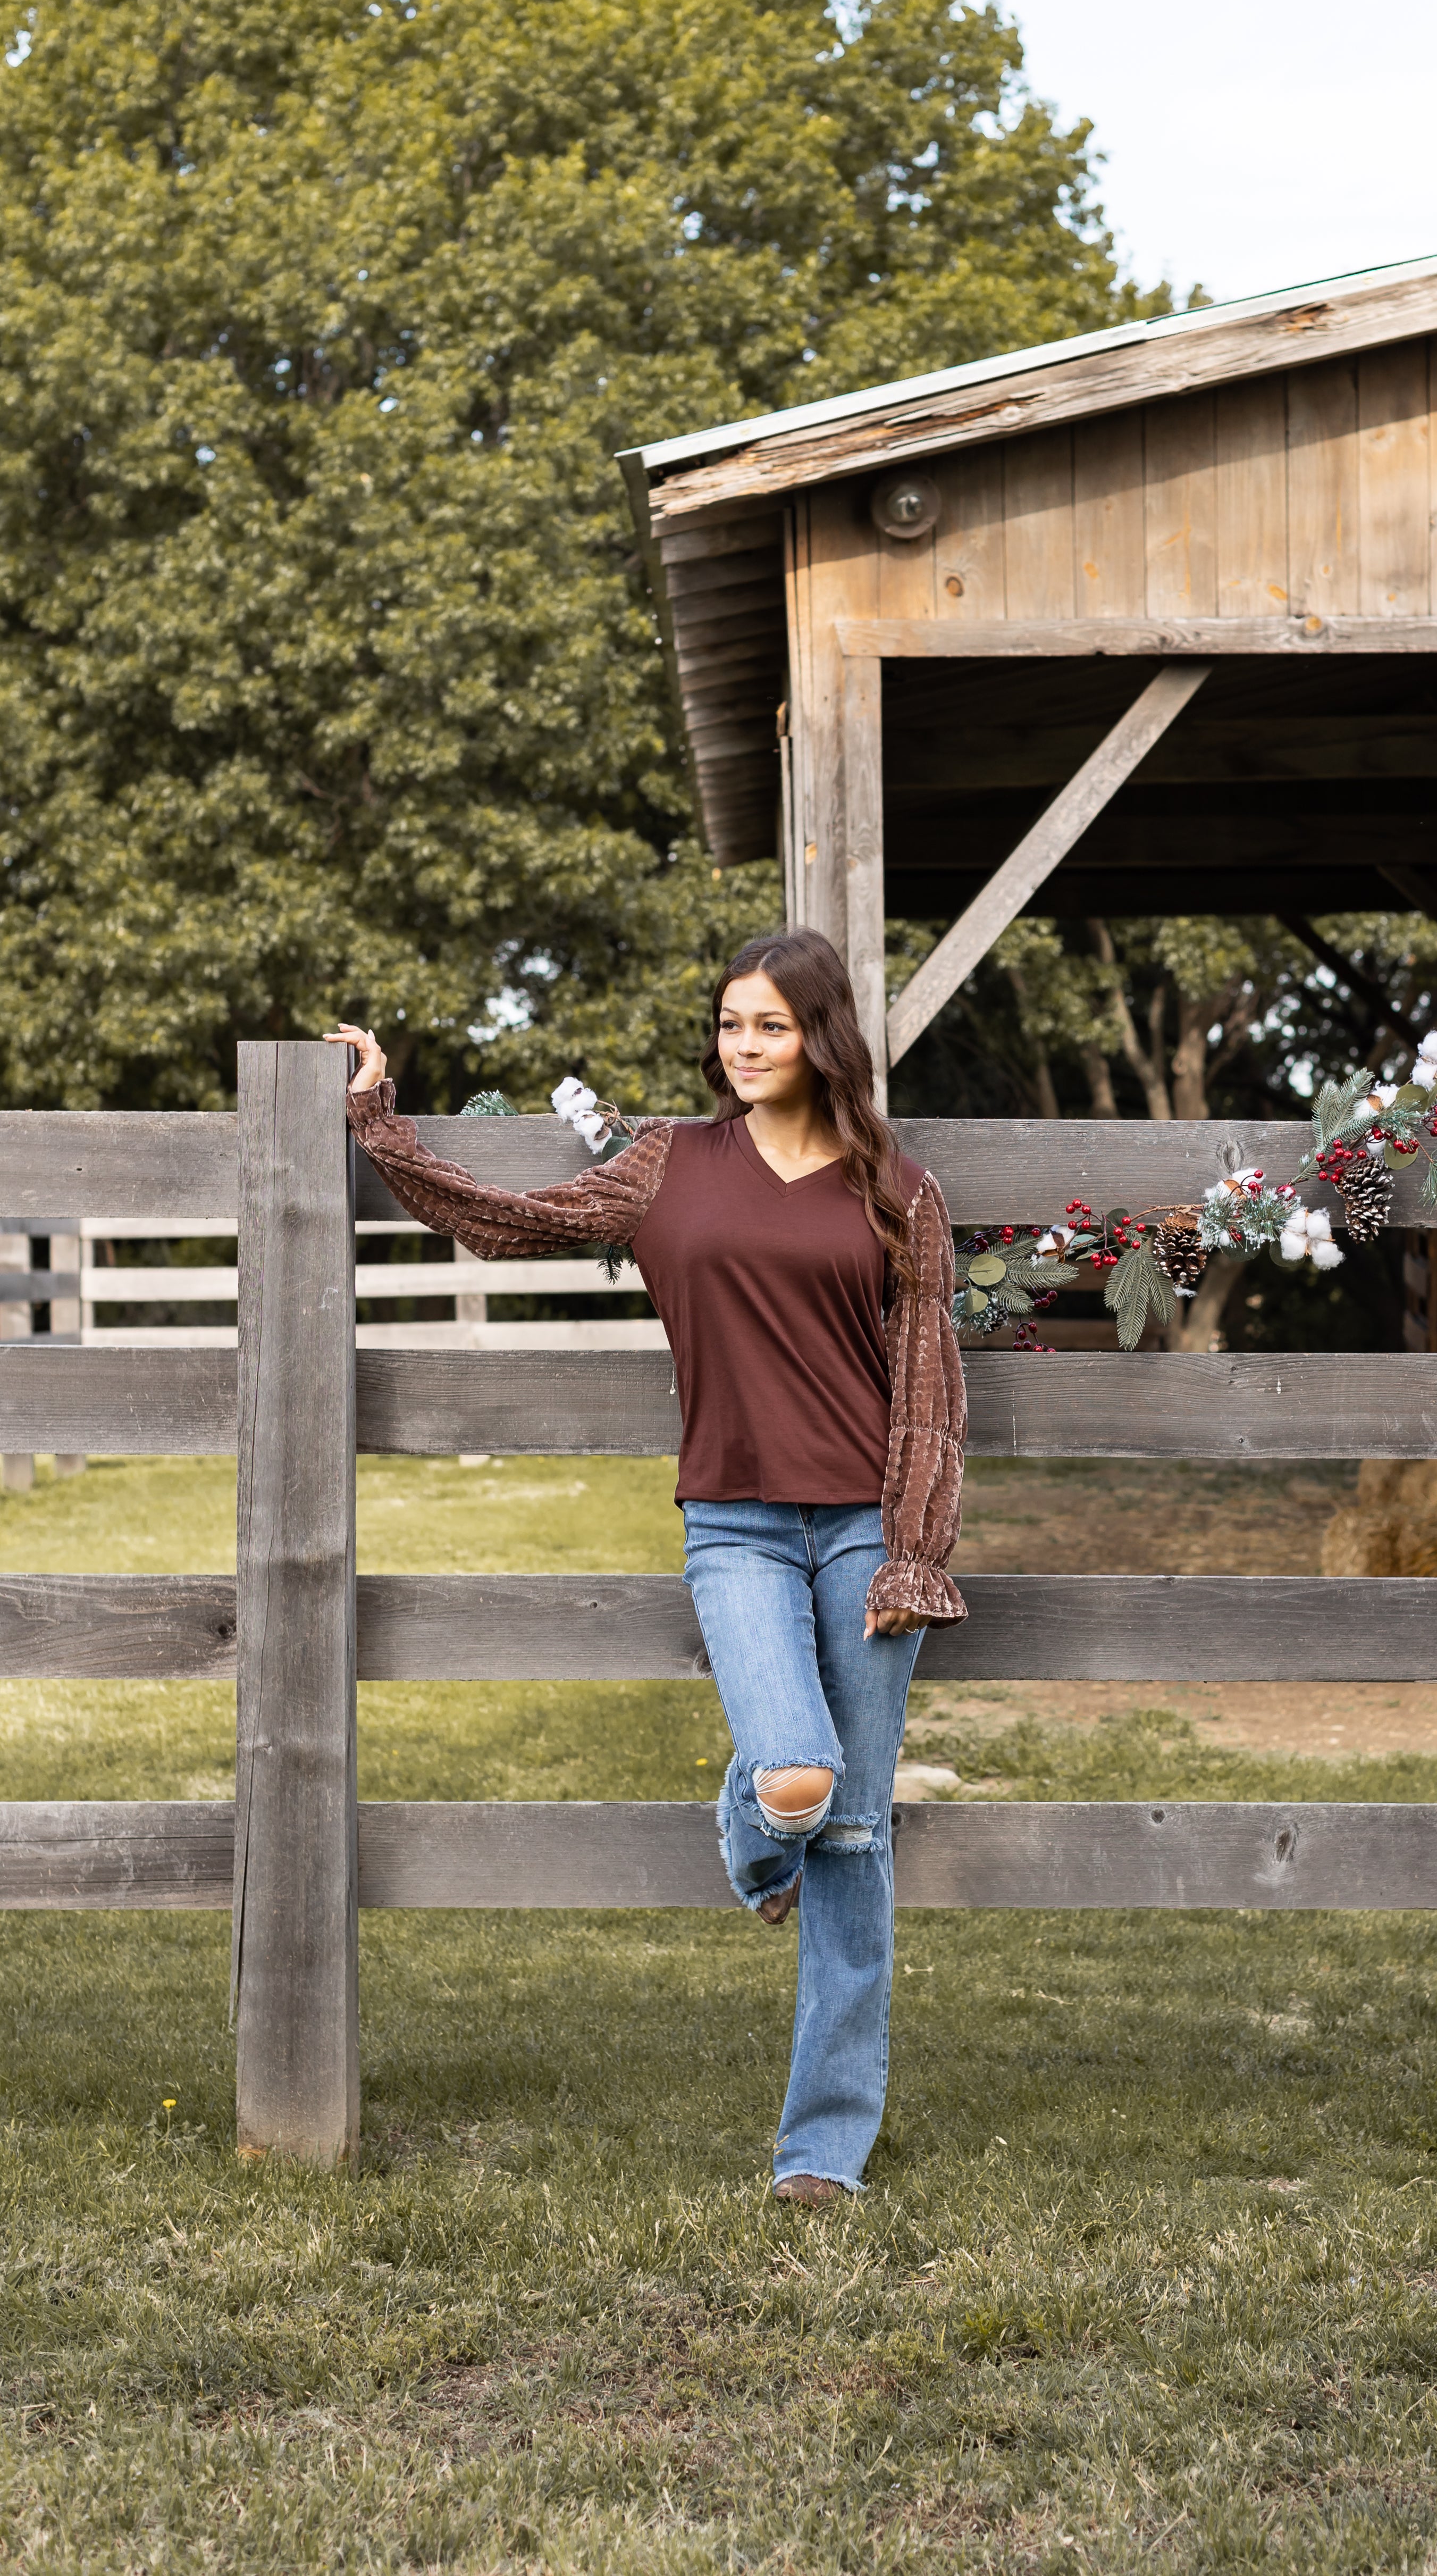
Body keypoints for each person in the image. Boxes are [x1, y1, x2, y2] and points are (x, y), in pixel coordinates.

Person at [328, 928, 967, 2206]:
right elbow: (507, 1224)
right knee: (795, 1779)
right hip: (732, 1520)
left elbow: (929, 1391)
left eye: (772, 1027)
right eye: (731, 1025)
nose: (745, 1048)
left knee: (851, 1840)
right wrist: (380, 1125)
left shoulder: (894, 1187)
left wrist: (912, 1550)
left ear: (822, 1035)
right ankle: (753, 1844)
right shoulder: (672, 1165)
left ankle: (821, 2152)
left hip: (859, 1528)